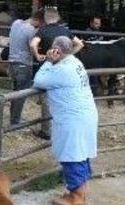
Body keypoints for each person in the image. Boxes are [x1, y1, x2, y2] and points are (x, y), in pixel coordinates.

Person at [33, 36, 98, 205]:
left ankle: (76, 198)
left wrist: (47, 61)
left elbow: (38, 81)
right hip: (84, 115)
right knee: (81, 153)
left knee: (72, 155)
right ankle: (80, 192)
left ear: (57, 51)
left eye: (52, 49)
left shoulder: (62, 70)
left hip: (73, 119)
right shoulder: (75, 62)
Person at [29, 8, 84, 139]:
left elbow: (32, 44)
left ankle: (47, 131)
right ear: (58, 18)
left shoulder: (42, 30)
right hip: (64, 69)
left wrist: (37, 55)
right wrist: (67, 55)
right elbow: (80, 44)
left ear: (46, 19)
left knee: (47, 100)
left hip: (49, 68)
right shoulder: (65, 31)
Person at [7, 10, 44, 126]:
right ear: (39, 21)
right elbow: (33, 46)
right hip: (23, 65)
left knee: (15, 92)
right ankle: (15, 122)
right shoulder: (31, 30)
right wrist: (38, 54)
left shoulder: (16, 23)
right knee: (21, 95)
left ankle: (14, 118)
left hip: (12, 63)